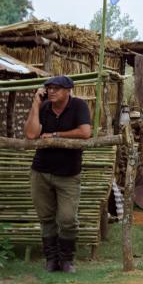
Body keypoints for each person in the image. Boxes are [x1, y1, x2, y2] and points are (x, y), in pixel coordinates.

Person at [23, 75, 92, 273]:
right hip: (41, 171)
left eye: (57, 88)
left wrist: (55, 135)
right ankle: (51, 260)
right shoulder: (44, 107)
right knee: (46, 218)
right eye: (49, 88)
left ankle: (67, 260)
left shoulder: (78, 106)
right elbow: (30, 134)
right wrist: (36, 104)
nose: (51, 91)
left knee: (68, 219)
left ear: (68, 90)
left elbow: (85, 132)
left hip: (68, 173)